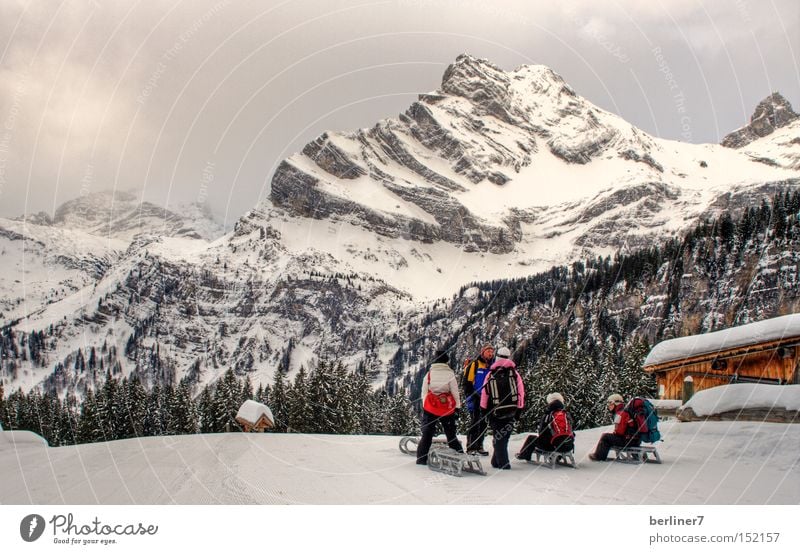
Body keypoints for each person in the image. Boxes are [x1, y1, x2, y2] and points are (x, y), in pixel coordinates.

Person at [416, 349, 464, 465]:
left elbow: (424, 392)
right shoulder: (450, 374)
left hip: (431, 408)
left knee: (427, 434)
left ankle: (421, 459)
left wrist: (426, 406)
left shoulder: (429, 374)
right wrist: (457, 407)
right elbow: (455, 392)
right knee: (451, 435)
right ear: (446, 362)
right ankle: (460, 457)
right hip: (446, 409)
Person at [480, 347, 524, 469]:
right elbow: (521, 392)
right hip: (511, 410)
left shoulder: (491, 374)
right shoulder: (514, 373)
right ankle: (496, 461)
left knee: (498, 437)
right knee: (504, 437)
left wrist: (483, 410)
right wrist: (519, 409)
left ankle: (504, 464)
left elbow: (485, 393)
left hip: (495, 411)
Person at [515, 392, 574, 461]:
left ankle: (524, 455)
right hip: (569, 445)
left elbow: (542, 432)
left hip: (552, 446)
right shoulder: (566, 414)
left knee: (531, 438)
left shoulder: (548, 414)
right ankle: (558, 457)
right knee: (559, 439)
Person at [462, 343, 494, 456]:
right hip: (475, 398)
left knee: (484, 423)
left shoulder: (492, 367)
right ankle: (471, 446)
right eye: (488, 351)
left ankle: (479, 445)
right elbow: (467, 382)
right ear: (483, 352)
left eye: (492, 351)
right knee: (475, 422)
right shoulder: (475, 364)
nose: (490, 353)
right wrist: (472, 396)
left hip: (487, 399)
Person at [588, 393, 640, 461]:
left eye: (610, 403)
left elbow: (620, 432)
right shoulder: (625, 410)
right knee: (609, 437)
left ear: (616, 403)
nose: (609, 406)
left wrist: (614, 434)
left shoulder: (620, 413)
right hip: (634, 440)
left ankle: (598, 456)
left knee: (605, 437)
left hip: (627, 440)